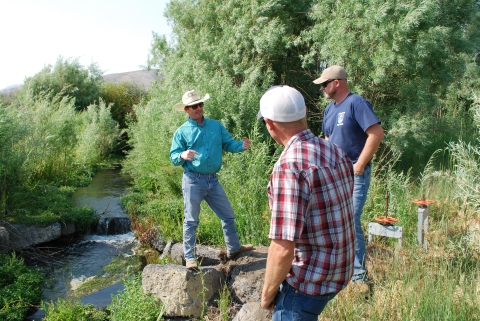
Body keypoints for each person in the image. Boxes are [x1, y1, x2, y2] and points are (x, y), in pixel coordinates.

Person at [258, 85, 355, 320]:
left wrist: (266, 296)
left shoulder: (289, 167)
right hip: (340, 271)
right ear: (305, 113)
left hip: (309, 283)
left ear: (270, 123)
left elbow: (282, 249)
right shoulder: (334, 151)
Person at [313, 65, 385, 296]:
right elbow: (328, 139)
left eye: (325, 83)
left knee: (350, 219)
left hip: (354, 173)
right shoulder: (329, 110)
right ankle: (337, 269)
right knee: (334, 220)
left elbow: (376, 134)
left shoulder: (356, 103)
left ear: (337, 82)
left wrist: (360, 165)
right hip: (335, 174)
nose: (323, 88)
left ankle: (359, 275)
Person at [170, 89, 253, 270]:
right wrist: (183, 154)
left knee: (228, 215)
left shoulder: (216, 126)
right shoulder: (181, 132)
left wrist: (242, 145)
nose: (198, 108)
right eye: (193, 106)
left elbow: (229, 144)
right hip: (193, 179)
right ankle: (190, 257)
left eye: (200, 104)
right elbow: (174, 156)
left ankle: (234, 248)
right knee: (191, 220)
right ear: (186, 109)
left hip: (212, 180)